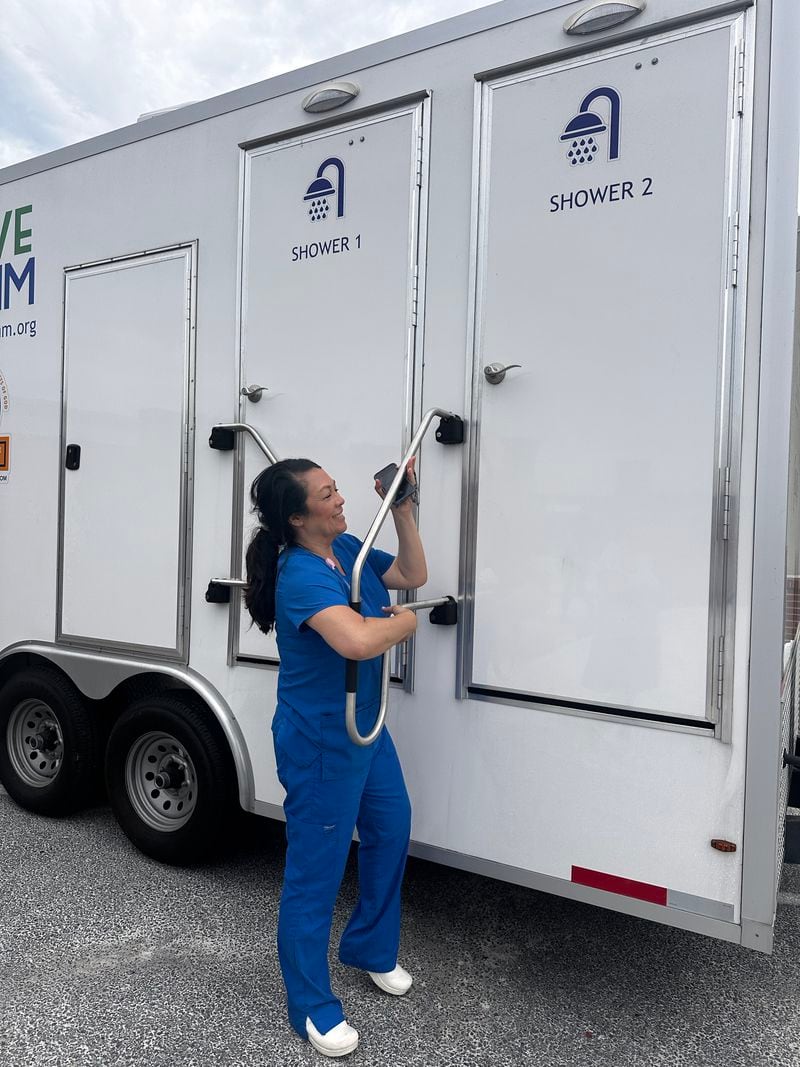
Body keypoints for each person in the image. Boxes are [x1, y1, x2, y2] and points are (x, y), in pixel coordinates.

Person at [244, 456, 427, 1058]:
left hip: (366, 728)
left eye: (338, 488)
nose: (340, 498)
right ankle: (312, 1008)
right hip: (323, 739)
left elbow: (410, 572)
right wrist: (402, 629)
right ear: (298, 517)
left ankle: (370, 947)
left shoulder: (348, 546)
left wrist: (400, 508)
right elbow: (355, 638)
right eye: (327, 494)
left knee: (390, 830)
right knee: (314, 875)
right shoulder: (299, 574)